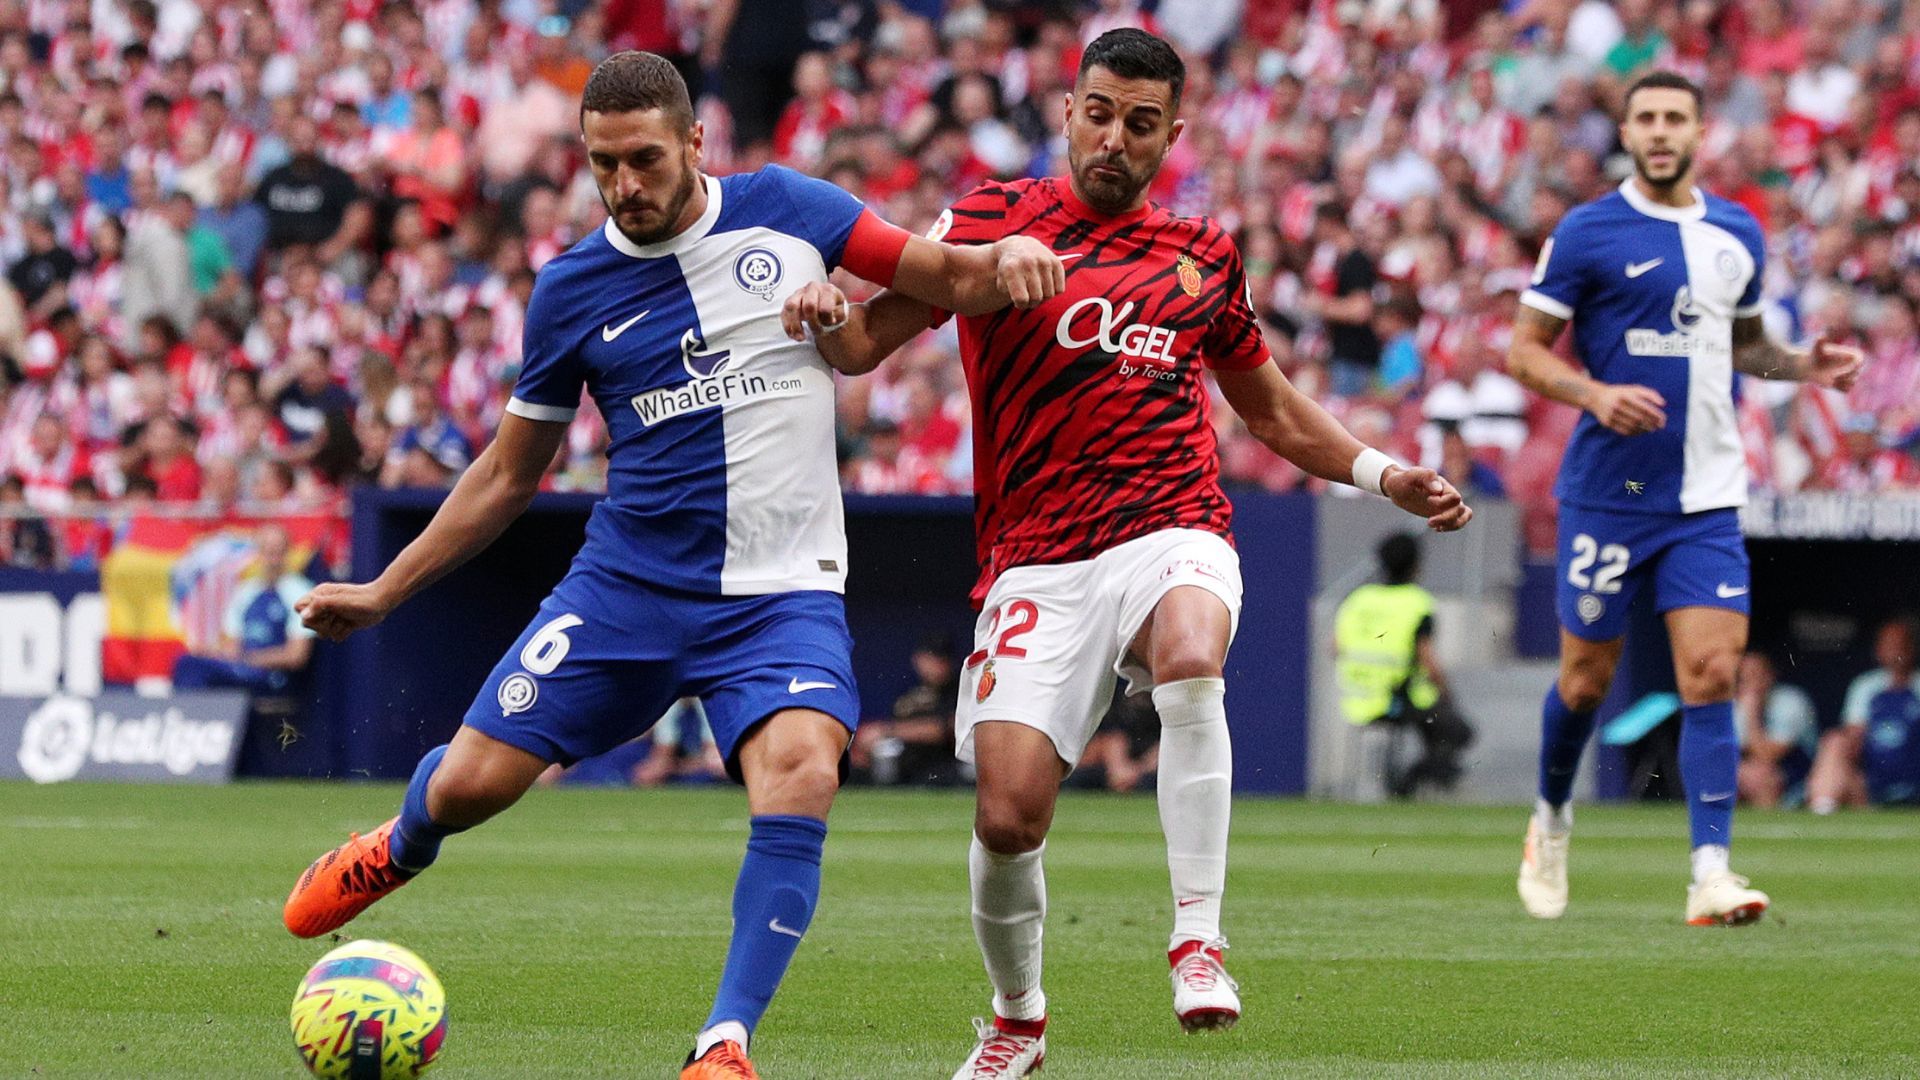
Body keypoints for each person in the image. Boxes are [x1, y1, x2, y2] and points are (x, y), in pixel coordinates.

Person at [280, 51, 1063, 1080]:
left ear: (697, 143)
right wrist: (386, 590)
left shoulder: (790, 208)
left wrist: (1006, 258)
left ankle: (724, 1042)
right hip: (628, 590)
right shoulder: (569, 290)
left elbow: (938, 276)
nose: (625, 185)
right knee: (472, 786)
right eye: (603, 164)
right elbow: (511, 472)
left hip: (781, 593)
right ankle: (405, 840)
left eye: (644, 158)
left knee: (804, 772)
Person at [783, 29, 1470, 1076]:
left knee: (1192, 654)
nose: (1114, 139)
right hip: (1035, 559)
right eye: (1099, 114)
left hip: (1170, 521)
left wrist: (1385, 475)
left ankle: (1198, 939)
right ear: (1067, 110)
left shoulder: (1202, 255)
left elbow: (1272, 410)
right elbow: (864, 344)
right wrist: (824, 316)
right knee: (1008, 817)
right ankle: (1018, 1019)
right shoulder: (990, 221)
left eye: (1140, 124)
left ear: (1171, 136)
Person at [1505, 71, 1863, 926]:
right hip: (1609, 493)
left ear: (1702, 132)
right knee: (1586, 683)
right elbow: (1524, 353)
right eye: (1647, 119)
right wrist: (1593, 395)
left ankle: (1711, 870)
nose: (1661, 131)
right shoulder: (1588, 231)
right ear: (1626, 132)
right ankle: (1551, 819)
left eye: (1676, 118)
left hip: (1706, 495)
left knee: (1711, 673)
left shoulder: (1738, 230)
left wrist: (1804, 366)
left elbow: (1744, 347)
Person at [1334, 532, 1475, 799]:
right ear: (1415, 565)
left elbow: (1335, 647)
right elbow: (1427, 659)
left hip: (1355, 701)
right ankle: (1408, 783)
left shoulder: (1358, 599)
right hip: (1397, 700)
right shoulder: (1417, 603)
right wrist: (1446, 692)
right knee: (1459, 732)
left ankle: (1404, 780)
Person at [171, 524, 316, 694]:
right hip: (242, 670)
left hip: (273, 676)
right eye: (267, 551)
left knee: (195, 668)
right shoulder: (246, 592)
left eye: (277, 551)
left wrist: (250, 659)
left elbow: (296, 656)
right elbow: (233, 645)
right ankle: (191, 718)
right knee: (188, 663)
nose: (272, 559)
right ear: (258, 554)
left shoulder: (299, 592)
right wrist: (214, 653)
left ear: (287, 553)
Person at [1806, 616, 1920, 812]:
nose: (1895, 650)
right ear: (1878, 649)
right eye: (1889, 644)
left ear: (1912, 647)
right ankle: (1822, 811)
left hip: (1914, 778)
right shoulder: (1866, 686)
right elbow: (1853, 736)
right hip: (1870, 784)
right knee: (1834, 741)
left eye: (1900, 644)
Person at [849, 631, 960, 785]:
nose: (936, 664)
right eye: (931, 658)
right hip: (903, 764)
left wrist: (885, 730)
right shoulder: (910, 694)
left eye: (941, 659)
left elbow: (947, 728)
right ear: (918, 659)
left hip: (940, 765)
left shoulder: (957, 689)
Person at [1732, 651, 1818, 809]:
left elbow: (1768, 755)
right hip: (1754, 770)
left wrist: (1752, 715)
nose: (1752, 683)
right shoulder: (1733, 705)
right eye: (1745, 678)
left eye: (1757, 675)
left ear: (1770, 675)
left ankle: (1769, 828)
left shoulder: (1791, 700)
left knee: (1760, 776)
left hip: (1800, 775)